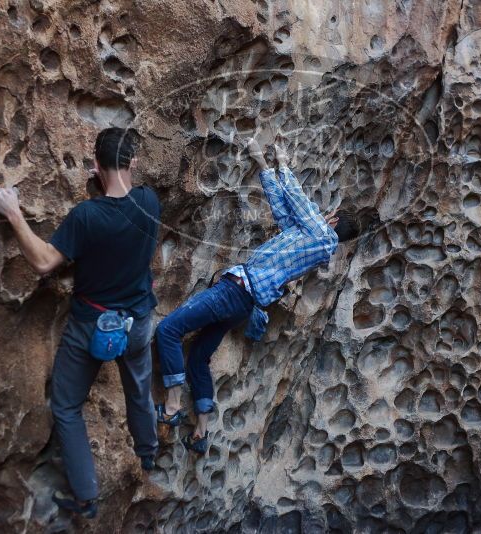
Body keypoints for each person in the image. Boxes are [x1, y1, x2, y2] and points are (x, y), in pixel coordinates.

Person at [0, 128, 161, 518]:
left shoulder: (86, 216)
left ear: (95, 164)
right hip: (137, 322)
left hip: (91, 327)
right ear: (132, 162)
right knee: (138, 391)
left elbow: (46, 261)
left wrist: (13, 213)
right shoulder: (150, 201)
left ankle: (86, 497)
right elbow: (121, 209)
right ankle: (147, 454)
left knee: (67, 407)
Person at [155, 138, 362, 454]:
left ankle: (170, 408)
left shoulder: (320, 233)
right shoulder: (310, 240)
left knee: (168, 331)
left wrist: (283, 160)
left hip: (235, 291)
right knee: (198, 357)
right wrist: (262, 164)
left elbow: (296, 197)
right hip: (243, 305)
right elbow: (283, 209)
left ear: (332, 220)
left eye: (327, 214)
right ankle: (200, 432)